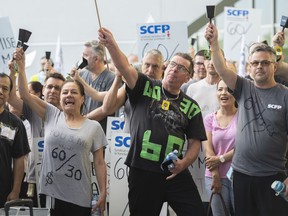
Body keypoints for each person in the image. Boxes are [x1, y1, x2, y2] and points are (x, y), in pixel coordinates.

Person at [98, 27, 206, 216]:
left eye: (181, 68)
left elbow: (195, 142)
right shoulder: (144, 85)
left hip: (174, 173)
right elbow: (124, 66)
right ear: (165, 67)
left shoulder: (192, 106)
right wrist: (111, 44)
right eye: (173, 64)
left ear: (188, 76)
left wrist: (184, 163)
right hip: (143, 171)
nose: (174, 69)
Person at [205, 23, 288, 216]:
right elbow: (221, 69)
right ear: (249, 67)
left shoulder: (285, 96)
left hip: (273, 178)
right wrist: (214, 44)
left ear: (274, 66)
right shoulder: (244, 88)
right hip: (241, 176)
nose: (260, 66)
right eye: (255, 63)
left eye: (265, 62)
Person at [13, 47, 108, 216]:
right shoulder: (51, 114)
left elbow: (100, 163)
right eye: (65, 92)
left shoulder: (94, 127)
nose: (68, 95)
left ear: (82, 98)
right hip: (51, 195)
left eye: (73, 92)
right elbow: (26, 96)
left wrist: (103, 193)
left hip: (80, 197)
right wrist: (20, 67)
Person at [8, 65, 65, 207]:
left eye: (57, 88)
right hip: (34, 180)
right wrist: (15, 70)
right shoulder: (34, 112)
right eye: (49, 87)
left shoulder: (70, 116)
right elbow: (11, 97)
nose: (53, 91)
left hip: (62, 180)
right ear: (43, 90)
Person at [203, 79, 237, 216]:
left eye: (228, 89)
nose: (224, 93)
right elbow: (208, 148)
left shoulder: (244, 117)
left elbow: (244, 147)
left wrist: (221, 159)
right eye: (220, 89)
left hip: (239, 176)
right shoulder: (209, 119)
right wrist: (215, 174)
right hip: (213, 175)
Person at [0, 73, 30, 208]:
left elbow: (19, 159)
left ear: (9, 93)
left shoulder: (16, 124)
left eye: (5, 88)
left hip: (2, 192)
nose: (1, 91)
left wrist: (16, 190)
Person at [79, 40, 115, 132]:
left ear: (96, 59)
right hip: (81, 129)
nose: (82, 59)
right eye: (82, 55)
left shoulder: (112, 78)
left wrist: (83, 120)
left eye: (85, 56)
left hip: (100, 132)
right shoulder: (82, 74)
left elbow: (106, 109)